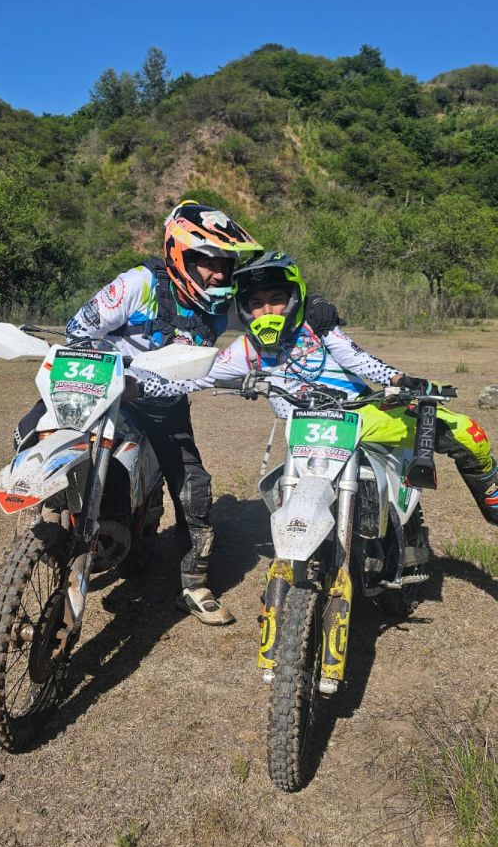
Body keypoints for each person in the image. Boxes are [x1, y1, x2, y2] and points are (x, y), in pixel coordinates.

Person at [49, 208, 340, 625]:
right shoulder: (139, 285)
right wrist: (118, 367)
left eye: (226, 264)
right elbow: (79, 328)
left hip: (166, 406)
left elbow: (273, 304)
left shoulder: (224, 301)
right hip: (103, 395)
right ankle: (49, 532)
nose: (220, 275)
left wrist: (315, 303)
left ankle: (193, 583)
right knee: (36, 434)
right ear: (180, 254)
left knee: (194, 488)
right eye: (210, 262)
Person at [138, 252, 498, 526]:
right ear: (244, 309)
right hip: (308, 436)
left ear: (294, 298)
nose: (267, 310)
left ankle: (492, 499)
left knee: (467, 433)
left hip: (364, 415)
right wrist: (135, 384)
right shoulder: (246, 351)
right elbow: (198, 376)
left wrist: (400, 381)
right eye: (256, 303)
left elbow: (359, 359)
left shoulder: (318, 330)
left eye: (276, 299)